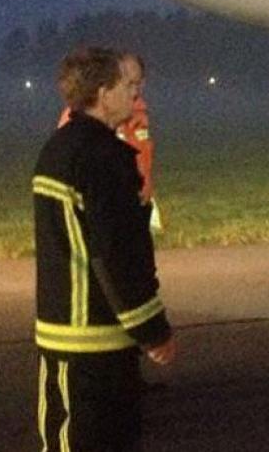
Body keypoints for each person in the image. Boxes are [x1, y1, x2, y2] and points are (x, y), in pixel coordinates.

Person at [34, 46, 175, 452]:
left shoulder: (63, 148)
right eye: (124, 85)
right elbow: (116, 254)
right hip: (90, 342)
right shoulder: (100, 157)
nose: (135, 95)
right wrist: (152, 331)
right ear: (101, 92)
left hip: (80, 339)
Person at [58, 52, 162, 233]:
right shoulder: (79, 122)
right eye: (128, 84)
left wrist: (146, 183)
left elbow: (143, 151)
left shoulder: (139, 114)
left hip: (135, 200)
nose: (134, 91)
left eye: (137, 83)